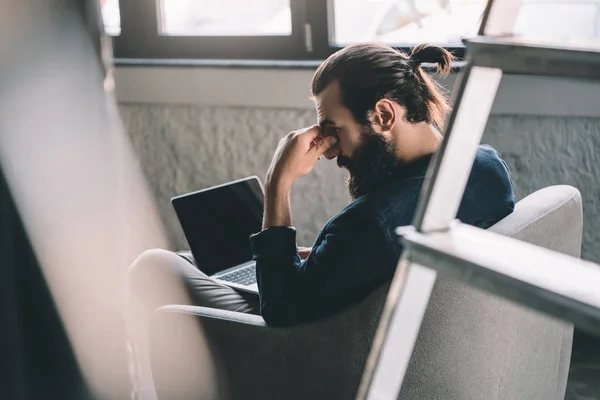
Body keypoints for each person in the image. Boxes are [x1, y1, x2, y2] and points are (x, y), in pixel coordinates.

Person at [129, 42, 515, 332]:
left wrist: (278, 182)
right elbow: (386, 247)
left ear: (383, 114)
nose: (331, 151)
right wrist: (331, 256)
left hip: (309, 346)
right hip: (411, 329)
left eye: (334, 128)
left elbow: (279, 312)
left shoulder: (367, 223)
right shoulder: (485, 166)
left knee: (154, 265)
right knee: (195, 261)